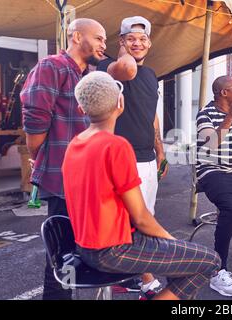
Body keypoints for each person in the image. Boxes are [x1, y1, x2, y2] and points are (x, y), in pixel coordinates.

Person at [62, 71, 220, 300]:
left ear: (81, 109)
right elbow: (142, 217)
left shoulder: (75, 144)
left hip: (86, 248)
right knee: (209, 261)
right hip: (114, 250)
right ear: (120, 103)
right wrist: (173, 241)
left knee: (184, 261)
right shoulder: (116, 146)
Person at [20, 18, 107, 300]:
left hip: (87, 180)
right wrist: (40, 155)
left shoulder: (88, 75)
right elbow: (35, 116)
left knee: (80, 252)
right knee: (62, 256)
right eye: (99, 38)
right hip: (63, 179)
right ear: (77, 36)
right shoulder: (52, 66)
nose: (103, 45)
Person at [97, 16, 166, 298]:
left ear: (149, 44)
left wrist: (160, 149)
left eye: (142, 39)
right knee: (131, 221)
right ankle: (148, 280)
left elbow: (151, 116)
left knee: (146, 215)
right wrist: (124, 51)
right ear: (121, 41)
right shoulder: (108, 67)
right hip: (122, 159)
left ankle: (131, 274)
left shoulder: (150, 75)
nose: (137, 43)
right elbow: (126, 67)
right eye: (130, 38)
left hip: (148, 158)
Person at [196, 76, 232, 297]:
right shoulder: (205, 114)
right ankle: (218, 271)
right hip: (212, 171)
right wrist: (230, 118)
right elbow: (210, 144)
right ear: (223, 93)